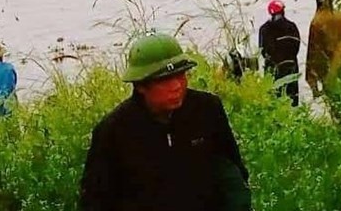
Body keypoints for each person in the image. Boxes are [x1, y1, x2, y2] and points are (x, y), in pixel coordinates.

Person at [80, 32, 251, 211]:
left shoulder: (207, 109)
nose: (177, 86)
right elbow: (94, 200)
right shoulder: (114, 130)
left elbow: (232, 172)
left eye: (180, 75)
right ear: (141, 86)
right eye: (165, 80)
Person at [305, 0, 341, 98]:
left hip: (329, 70)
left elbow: (314, 51)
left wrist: (313, 82)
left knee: (335, 105)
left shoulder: (316, 22)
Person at [258, 0, 301, 106]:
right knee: (292, 97)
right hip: (290, 64)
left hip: (272, 67)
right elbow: (296, 47)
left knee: (273, 97)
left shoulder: (264, 29)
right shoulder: (291, 26)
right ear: (283, 11)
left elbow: (263, 51)